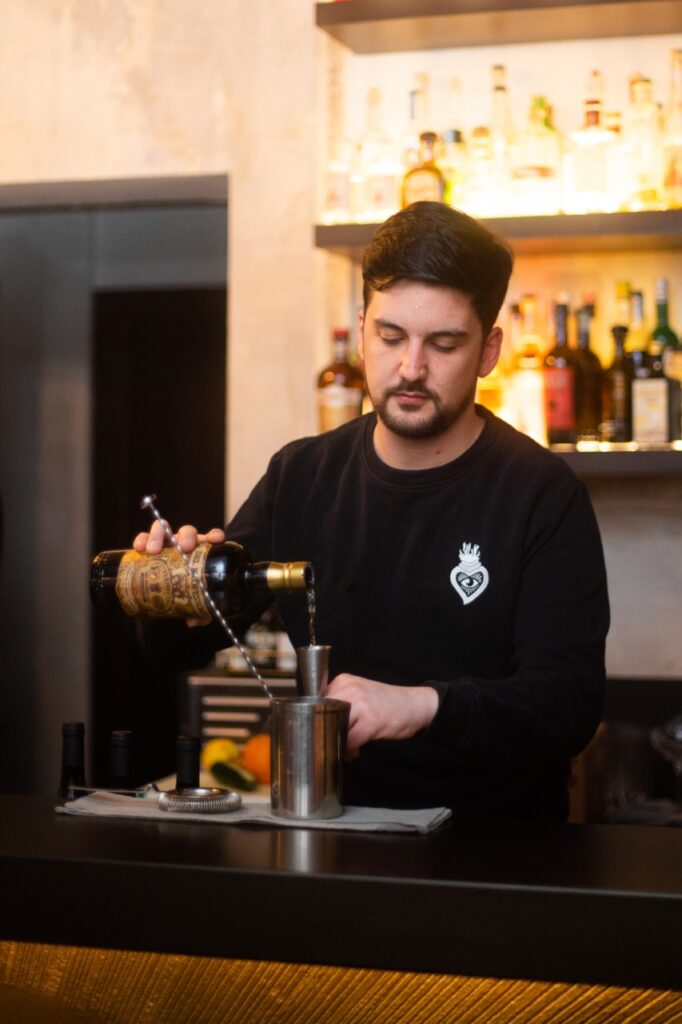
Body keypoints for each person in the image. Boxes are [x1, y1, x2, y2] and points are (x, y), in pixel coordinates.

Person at [135, 201, 610, 820]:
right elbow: (181, 651)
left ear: (489, 351)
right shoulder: (300, 476)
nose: (411, 368)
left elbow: (568, 706)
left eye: (444, 344)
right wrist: (170, 592)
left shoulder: (541, 493)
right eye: (391, 337)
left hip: (497, 860)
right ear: (362, 329)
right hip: (330, 834)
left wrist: (420, 705)